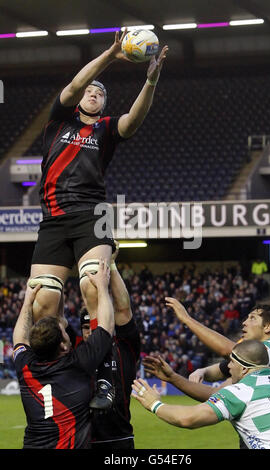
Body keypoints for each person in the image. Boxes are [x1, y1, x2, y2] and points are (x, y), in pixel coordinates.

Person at [28, 30, 168, 408]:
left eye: (101, 92)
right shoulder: (59, 119)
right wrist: (110, 54)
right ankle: (59, 375)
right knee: (43, 300)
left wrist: (150, 79)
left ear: (105, 104)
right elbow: (75, 84)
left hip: (94, 214)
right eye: (91, 90)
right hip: (53, 218)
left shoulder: (105, 129)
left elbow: (134, 120)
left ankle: (104, 376)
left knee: (93, 285)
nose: (93, 93)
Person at [13, 260, 114, 449]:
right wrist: (102, 286)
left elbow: (19, 338)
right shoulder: (78, 363)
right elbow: (106, 325)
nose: (67, 327)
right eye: (65, 331)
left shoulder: (26, 367)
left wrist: (27, 302)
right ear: (63, 346)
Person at [134, 340, 270, 449]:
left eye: (232, 361)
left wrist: (154, 404)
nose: (229, 367)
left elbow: (188, 418)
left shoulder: (240, 392)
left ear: (245, 368)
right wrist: (173, 377)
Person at [83, 242, 141, 449]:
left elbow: (123, 309)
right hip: (84, 440)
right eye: (87, 327)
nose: (92, 331)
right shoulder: (77, 353)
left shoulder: (124, 347)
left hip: (120, 439)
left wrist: (112, 264)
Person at [164, 299, 270, 385]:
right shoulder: (261, 359)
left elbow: (228, 350)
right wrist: (202, 371)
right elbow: (220, 374)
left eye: (252, 318)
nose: (244, 323)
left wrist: (187, 320)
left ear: (268, 327)